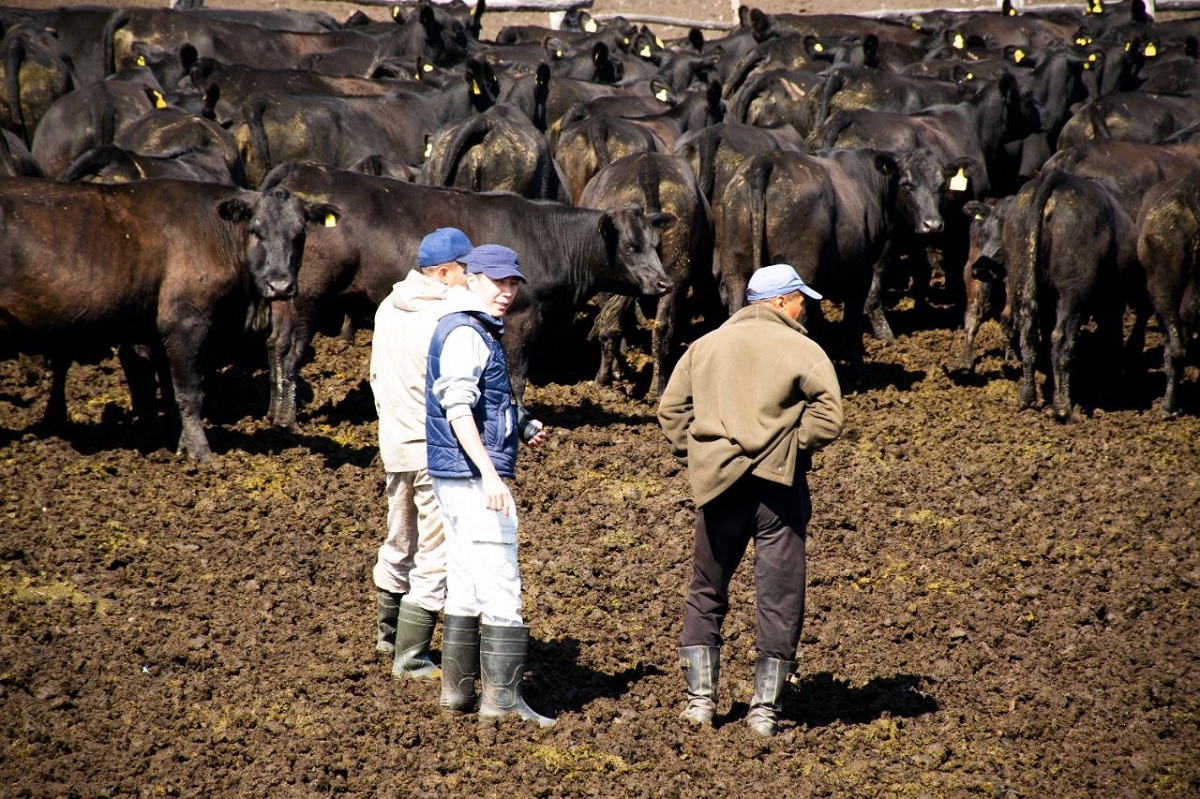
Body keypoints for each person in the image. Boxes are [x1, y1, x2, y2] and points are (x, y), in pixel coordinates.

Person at [657, 263, 845, 737]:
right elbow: (830, 418)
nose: (807, 308)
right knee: (779, 595)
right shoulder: (805, 350)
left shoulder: (705, 346)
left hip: (718, 484)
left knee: (706, 589)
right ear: (779, 302)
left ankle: (700, 702)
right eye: (801, 299)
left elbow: (671, 408)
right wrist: (790, 444)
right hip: (779, 490)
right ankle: (764, 711)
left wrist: (697, 452)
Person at [425, 243, 554, 727]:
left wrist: (521, 425)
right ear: (471, 277)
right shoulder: (467, 332)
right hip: (473, 477)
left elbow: (485, 402)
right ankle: (502, 702)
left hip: (451, 476)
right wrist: (491, 473)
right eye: (496, 281)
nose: (506, 291)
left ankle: (457, 692)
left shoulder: (467, 325)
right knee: (500, 582)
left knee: (463, 580)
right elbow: (457, 407)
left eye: (513, 282)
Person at [369, 227, 473, 681]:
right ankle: (411, 657)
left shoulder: (387, 307)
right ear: (446, 271)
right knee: (436, 552)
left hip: (395, 444)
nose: (472, 279)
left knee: (399, 541)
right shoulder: (450, 313)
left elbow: (376, 376)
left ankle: (387, 635)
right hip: (435, 450)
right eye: (467, 270)